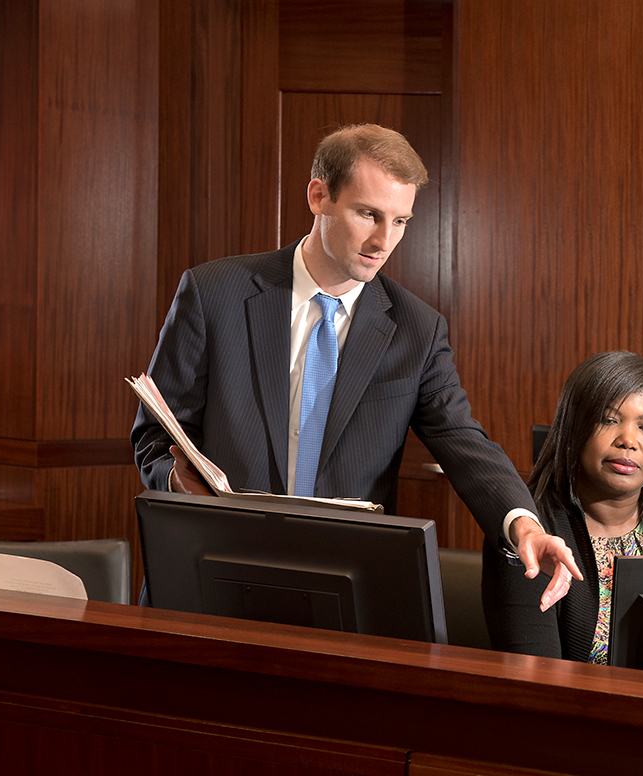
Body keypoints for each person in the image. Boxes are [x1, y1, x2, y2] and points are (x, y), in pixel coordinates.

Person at [131, 123, 580, 608]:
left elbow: (462, 438)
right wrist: (179, 481)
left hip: (336, 588)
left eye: (401, 221)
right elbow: (154, 436)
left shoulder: (417, 330)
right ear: (319, 196)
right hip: (211, 573)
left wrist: (523, 523)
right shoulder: (213, 292)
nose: (384, 240)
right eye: (368, 214)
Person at [482, 351, 643, 663]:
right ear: (573, 432)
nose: (629, 441)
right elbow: (535, 678)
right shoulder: (529, 533)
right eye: (608, 420)